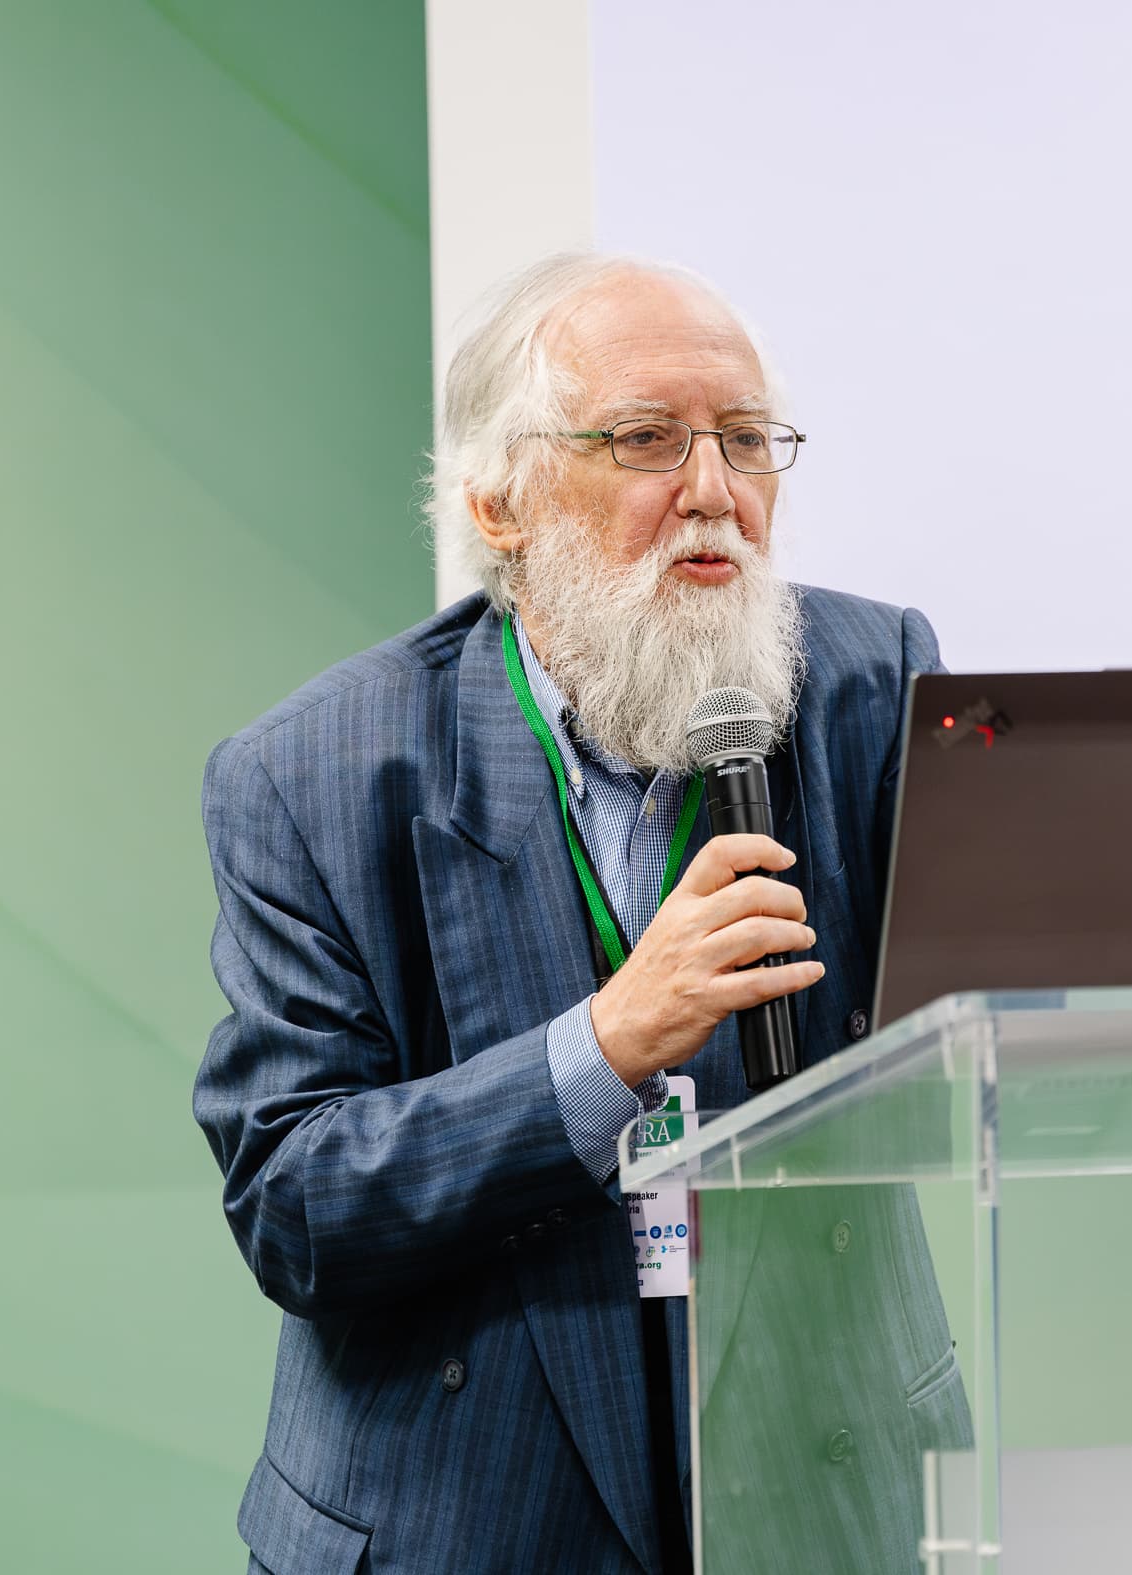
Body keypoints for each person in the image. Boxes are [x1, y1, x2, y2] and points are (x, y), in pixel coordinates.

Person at [194, 253, 965, 1575]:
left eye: (746, 440)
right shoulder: (314, 773)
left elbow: (1016, 991)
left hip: (811, 1484)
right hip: (471, 1513)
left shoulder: (870, 682)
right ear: (498, 503)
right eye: (647, 441)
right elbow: (296, 1205)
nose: (714, 492)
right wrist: (604, 1050)